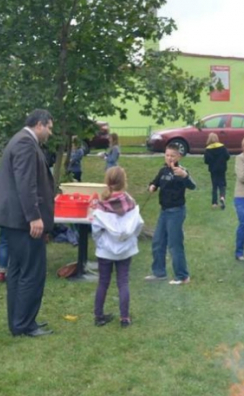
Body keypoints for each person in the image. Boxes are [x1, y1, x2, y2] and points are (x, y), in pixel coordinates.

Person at [0, 109, 55, 337]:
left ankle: (19, 322)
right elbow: (26, 183)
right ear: (40, 124)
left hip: (13, 219)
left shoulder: (20, 140)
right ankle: (25, 324)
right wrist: (34, 217)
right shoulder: (25, 143)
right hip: (22, 220)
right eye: (50, 128)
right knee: (31, 272)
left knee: (16, 271)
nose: (50, 133)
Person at [91, 167, 143, 328]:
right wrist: (130, 238)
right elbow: (138, 224)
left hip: (105, 250)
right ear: (124, 182)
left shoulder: (101, 205)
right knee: (123, 282)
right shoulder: (131, 203)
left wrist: (101, 244)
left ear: (107, 182)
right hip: (125, 249)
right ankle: (124, 318)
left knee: (103, 282)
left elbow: (96, 230)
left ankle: (99, 316)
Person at [146, 142, 196, 284]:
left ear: (179, 156)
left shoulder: (181, 171)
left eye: (172, 156)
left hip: (176, 212)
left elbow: (193, 186)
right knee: (157, 242)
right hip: (164, 211)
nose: (169, 158)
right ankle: (159, 272)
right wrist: (152, 186)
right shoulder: (163, 171)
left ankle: (182, 276)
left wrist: (185, 176)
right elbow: (155, 183)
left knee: (174, 244)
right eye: (167, 155)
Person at [204, 132, 230, 210]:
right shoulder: (222, 147)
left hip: (213, 170)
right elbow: (227, 156)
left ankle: (214, 203)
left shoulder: (208, 149)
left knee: (214, 186)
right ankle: (222, 197)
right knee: (222, 185)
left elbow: (206, 161)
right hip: (222, 169)